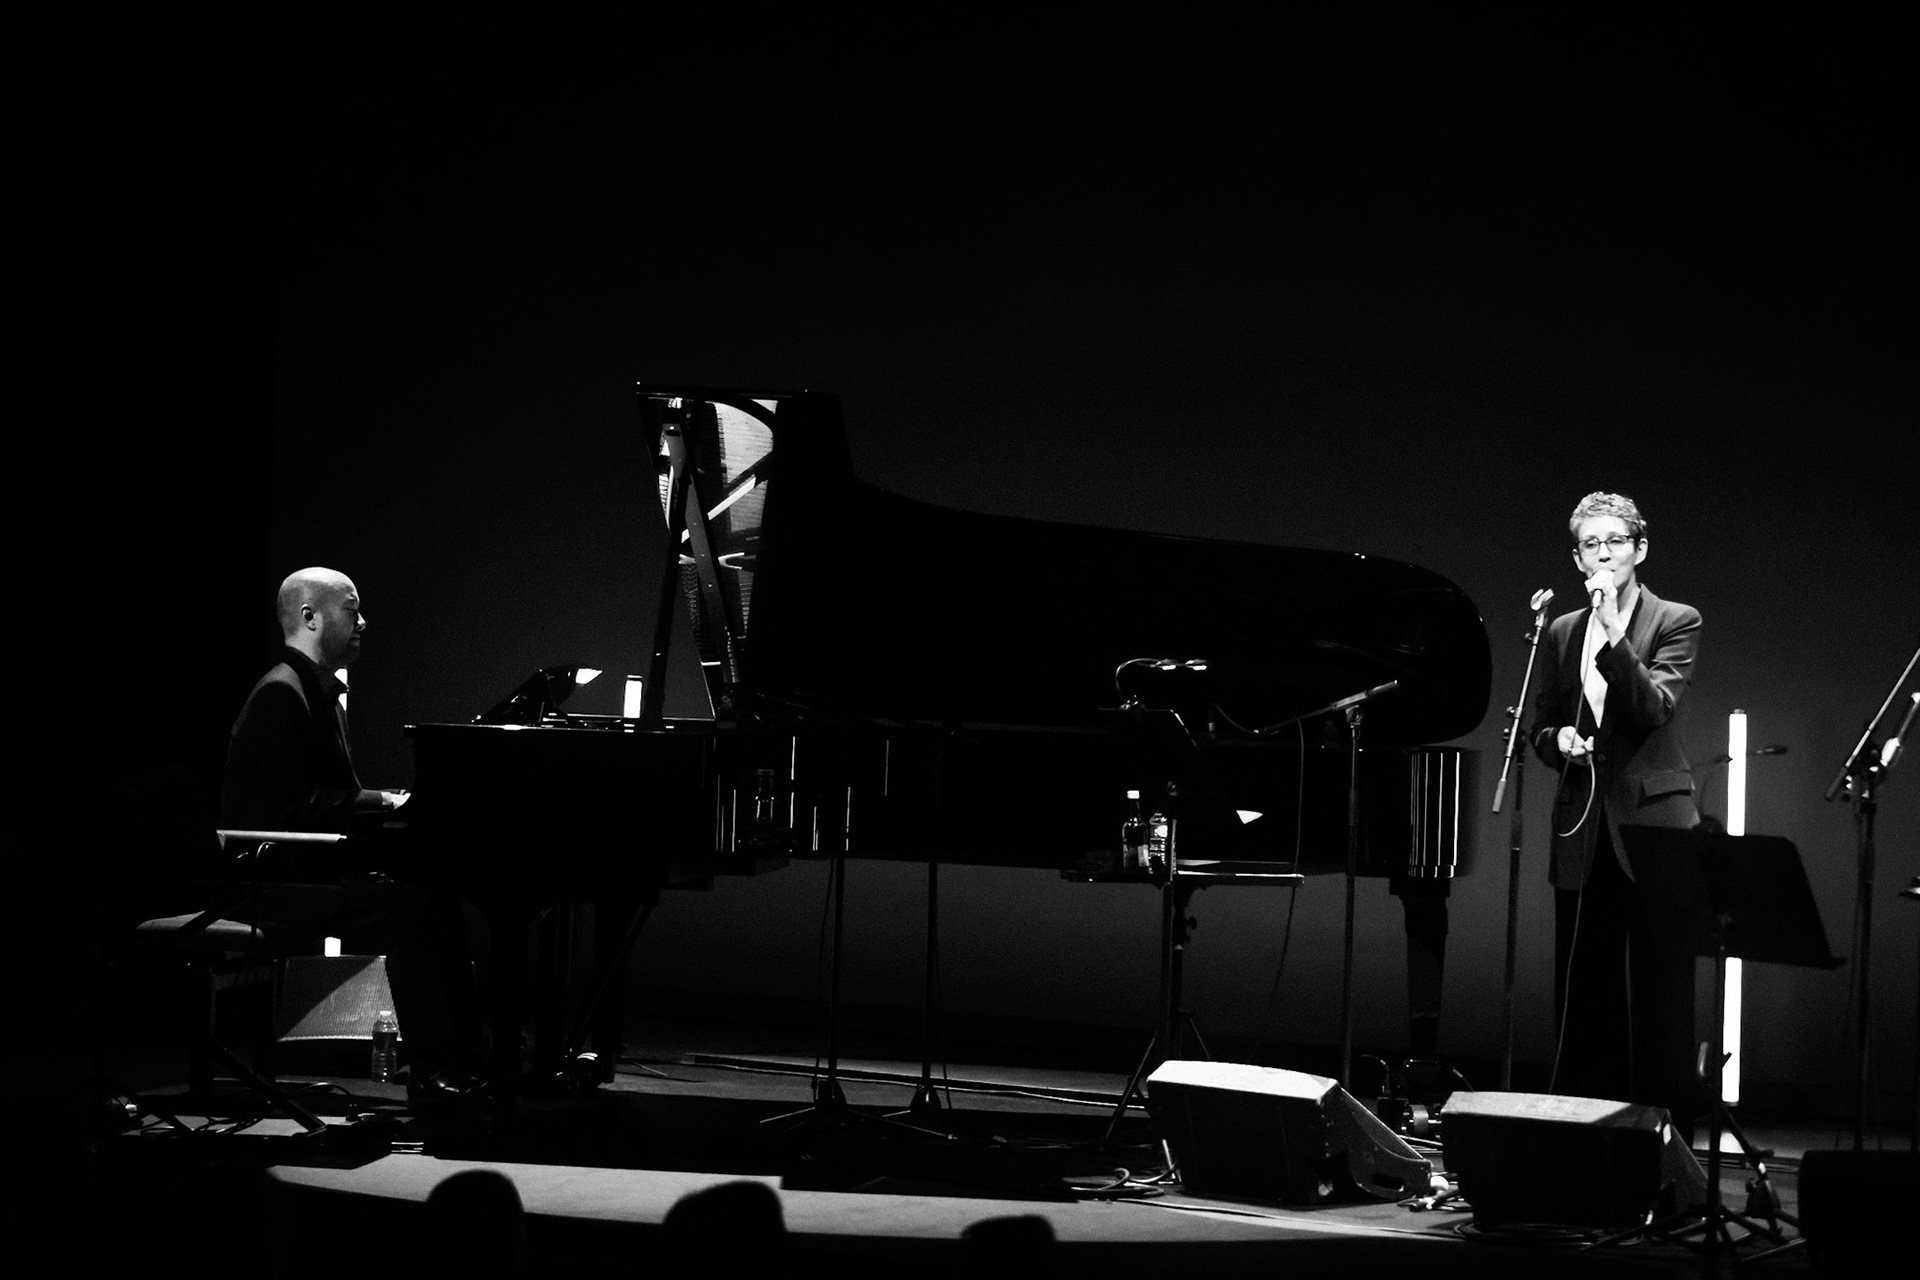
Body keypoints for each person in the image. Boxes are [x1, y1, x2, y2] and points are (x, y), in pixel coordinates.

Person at [220, 567, 485, 1103]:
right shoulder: (282, 694)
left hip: (308, 869)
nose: (363, 621)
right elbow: (286, 811)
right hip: (277, 881)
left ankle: (464, 1058)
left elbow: (319, 799)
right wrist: (382, 802)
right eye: (352, 608)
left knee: (436, 891)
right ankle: (434, 1071)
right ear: (309, 617)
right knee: (411, 907)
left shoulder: (314, 693)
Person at [1528, 493, 1702, 1138]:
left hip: (1655, 828)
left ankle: (1669, 1144)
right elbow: (1541, 725)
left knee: (1662, 996)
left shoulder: (1675, 619)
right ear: (1578, 558)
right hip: (1583, 822)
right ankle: (1585, 1135)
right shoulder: (1561, 629)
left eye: (1615, 542)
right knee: (1586, 992)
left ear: (1640, 549)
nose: (1603, 554)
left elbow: (1652, 708)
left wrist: (1612, 631)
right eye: (1591, 545)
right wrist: (1558, 744)